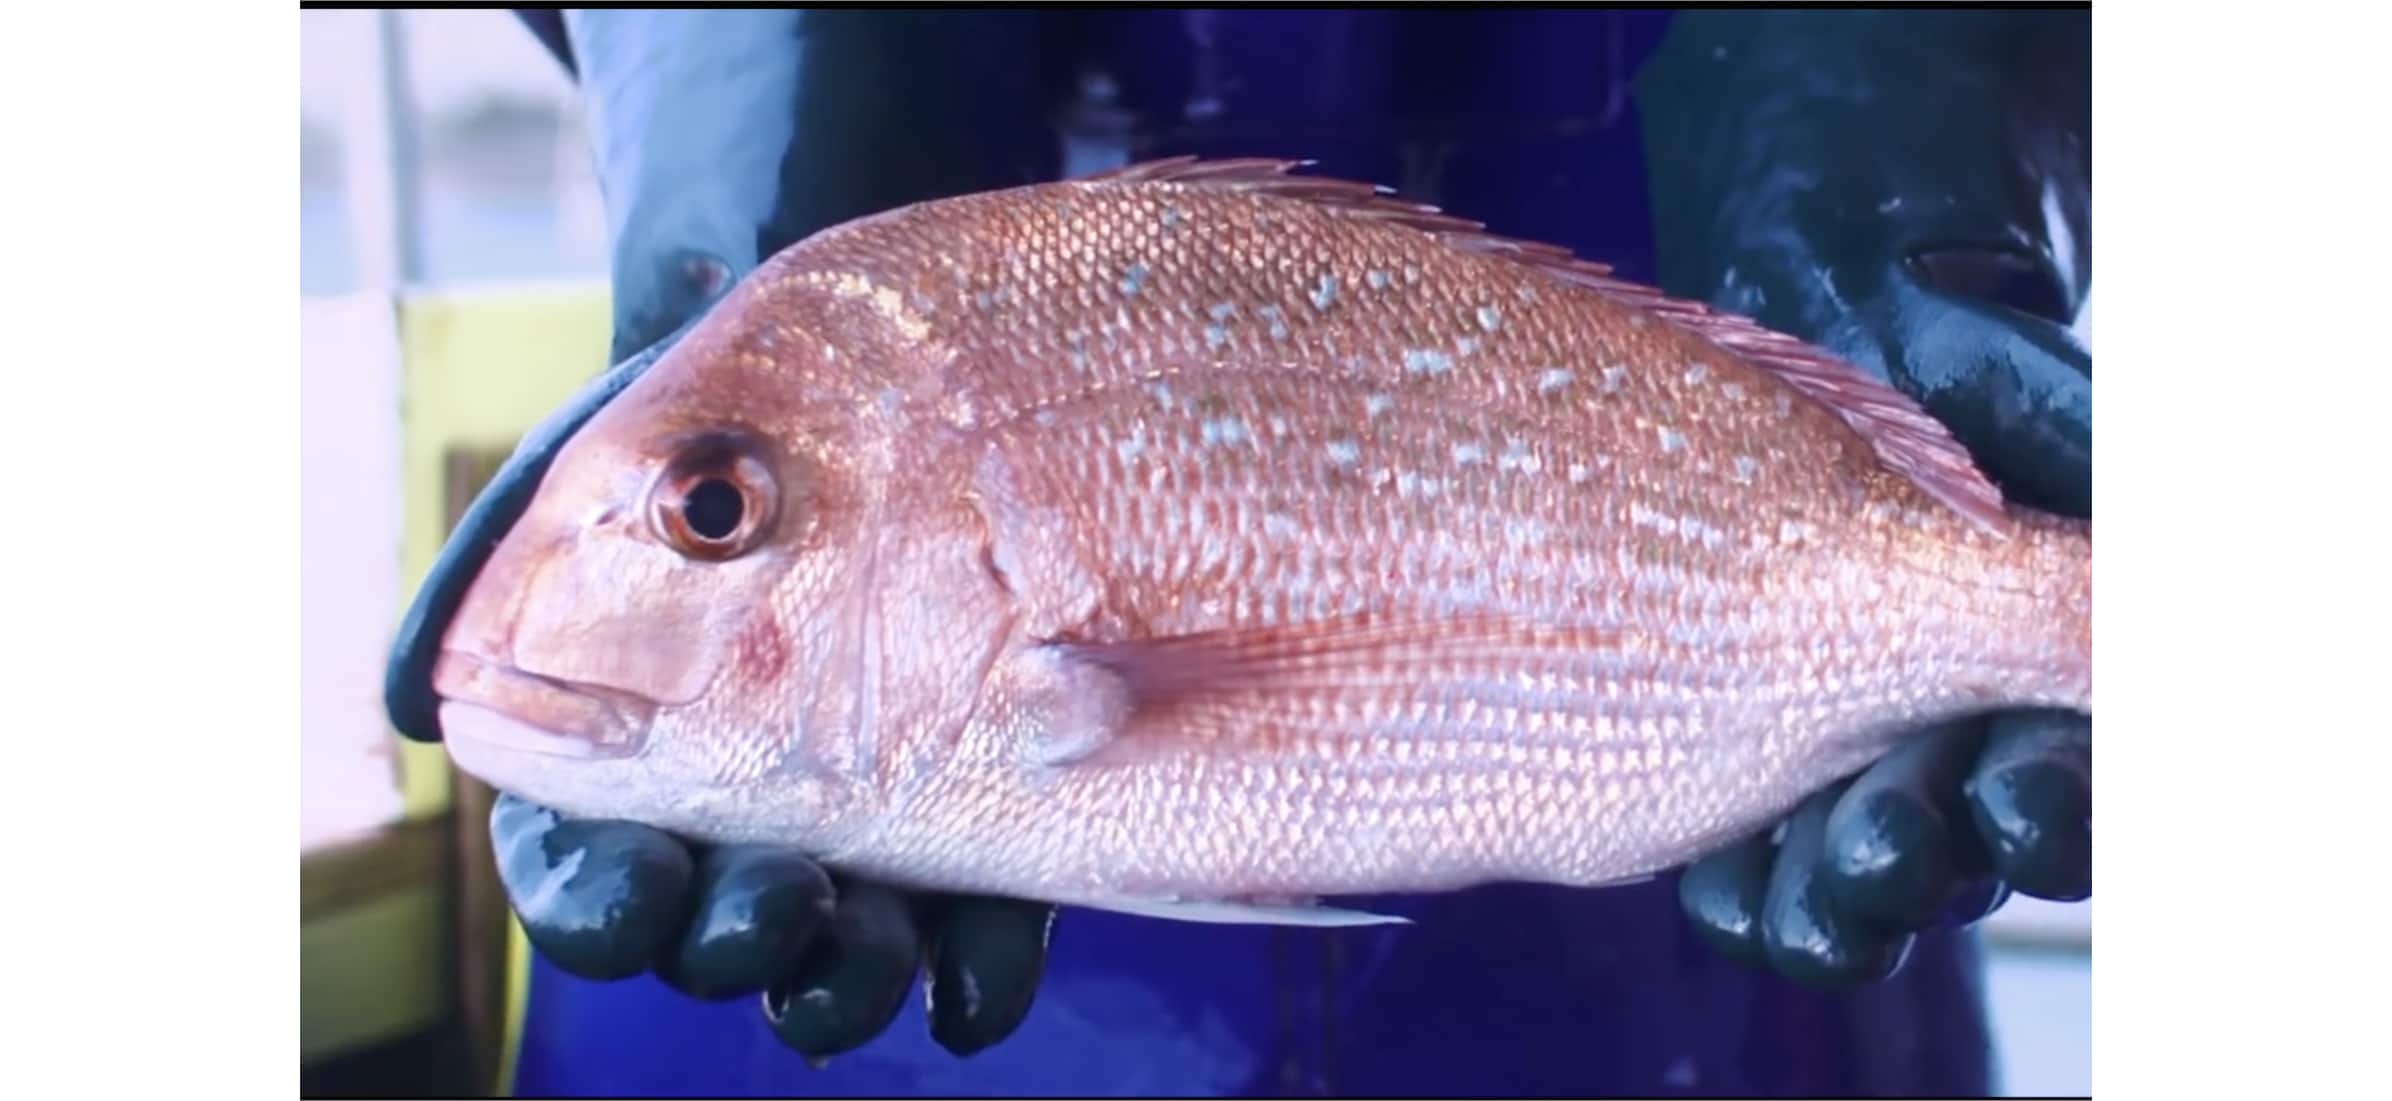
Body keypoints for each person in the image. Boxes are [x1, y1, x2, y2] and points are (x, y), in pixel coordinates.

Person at [385, 8, 2090, 1095]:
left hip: (1715, 978)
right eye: (713, 509)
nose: (678, 540)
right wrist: (754, 68)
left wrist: (1884, 74)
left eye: (713, 514)